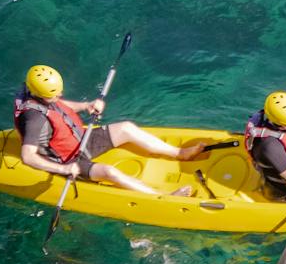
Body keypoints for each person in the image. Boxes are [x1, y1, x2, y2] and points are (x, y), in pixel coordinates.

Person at [14, 63, 201, 197]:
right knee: (109, 172)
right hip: (68, 159)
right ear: (39, 94)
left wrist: (87, 105)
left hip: (80, 140)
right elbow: (28, 156)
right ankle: (162, 198)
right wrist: (64, 169)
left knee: (126, 128)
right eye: (54, 94)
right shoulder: (33, 119)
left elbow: (59, 106)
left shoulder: (41, 95)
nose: (60, 94)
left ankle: (180, 153)